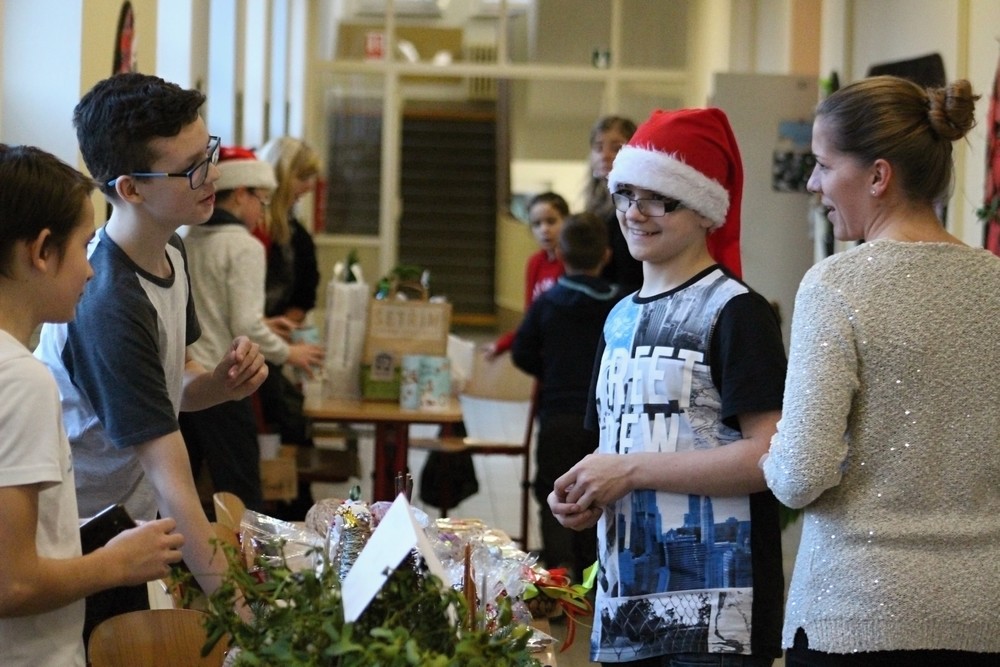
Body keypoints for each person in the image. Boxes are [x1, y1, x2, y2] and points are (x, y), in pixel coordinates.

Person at [762, 76, 1000, 665]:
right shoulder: (995, 283)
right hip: (983, 615)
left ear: (878, 176)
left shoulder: (836, 285)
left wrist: (772, 456)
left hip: (854, 615)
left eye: (823, 165)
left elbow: (799, 476)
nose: (813, 183)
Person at [33, 73, 267, 641]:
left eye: (209, 152)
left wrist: (219, 384)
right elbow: (173, 481)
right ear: (131, 189)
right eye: (192, 167)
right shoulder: (109, 300)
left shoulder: (171, 249)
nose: (213, 175)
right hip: (75, 538)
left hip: (126, 522)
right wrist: (256, 627)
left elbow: (175, 384)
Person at [549, 108, 787, 665]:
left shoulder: (737, 311)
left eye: (660, 199)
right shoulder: (619, 317)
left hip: (720, 617)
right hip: (625, 603)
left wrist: (631, 471)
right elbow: (615, 444)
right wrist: (587, 488)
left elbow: (771, 456)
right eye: (626, 194)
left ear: (704, 209)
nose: (635, 213)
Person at [0, 144, 185, 667]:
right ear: (42, 251)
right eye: (84, 247)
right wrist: (116, 563)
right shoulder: (20, 380)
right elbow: (12, 583)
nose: (89, 270)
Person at [179, 147, 325, 511]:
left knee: (180, 494)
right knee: (242, 495)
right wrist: (290, 352)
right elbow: (244, 327)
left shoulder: (184, 238)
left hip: (183, 383)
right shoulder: (244, 246)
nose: (263, 211)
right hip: (224, 381)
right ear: (241, 194)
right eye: (262, 200)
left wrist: (265, 324)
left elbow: (208, 311)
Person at [511, 211, 619, 580]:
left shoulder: (548, 302)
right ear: (606, 255)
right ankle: (592, 571)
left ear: (561, 254)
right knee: (596, 491)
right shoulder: (621, 304)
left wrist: (551, 372)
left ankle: (559, 570)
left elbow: (522, 351)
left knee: (553, 489)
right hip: (604, 419)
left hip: (558, 413)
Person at [486, 191, 568, 358]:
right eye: (537, 224)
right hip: (542, 348)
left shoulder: (571, 261)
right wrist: (503, 343)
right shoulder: (535, 263)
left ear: (566, 222)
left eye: (551, 221)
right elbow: (530, 316)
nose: (544, 229)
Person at [585, 115, 644, 295]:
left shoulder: (636, 207)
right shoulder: (593, 206)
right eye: (598, 147)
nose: (604, 155)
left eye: (616, 148)